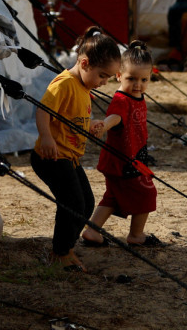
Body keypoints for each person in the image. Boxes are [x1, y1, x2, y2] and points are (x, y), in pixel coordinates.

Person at [30, 26, 120, 272]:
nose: (103, 83)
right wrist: (46, 137)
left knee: (86, 203)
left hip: (70, 157)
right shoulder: (65, 83)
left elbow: (70, 117)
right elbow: (42, 111)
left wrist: (90, 125)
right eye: (102, 76)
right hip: (51, 156)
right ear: (84, 62)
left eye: (108, 78)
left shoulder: (83, 87)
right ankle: (60, 252)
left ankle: (66, 246)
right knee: (71, 203)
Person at [80, 41, 163, 247]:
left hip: (129, 158)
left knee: (112, 197)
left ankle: (92, 231)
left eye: (144, 79)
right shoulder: (121, 99)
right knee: (146, 193)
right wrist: (104, 126)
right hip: (123, 162)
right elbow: (115, 116)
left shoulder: (137, 95)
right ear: (118, 76)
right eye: (131, 79)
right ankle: (136, 235)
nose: (138, 84)